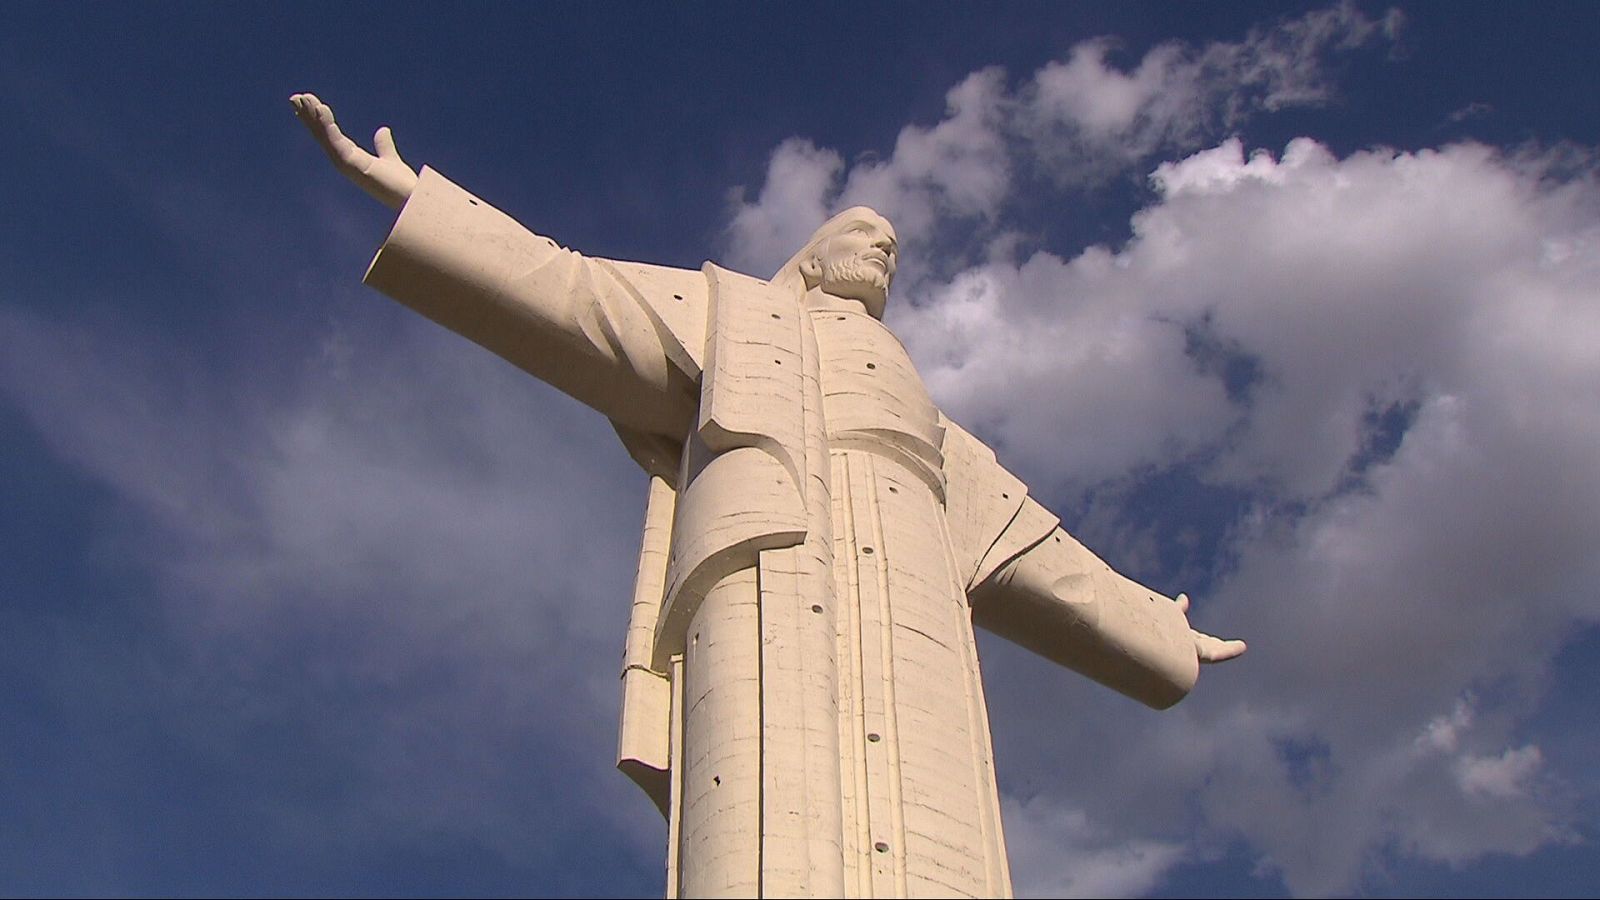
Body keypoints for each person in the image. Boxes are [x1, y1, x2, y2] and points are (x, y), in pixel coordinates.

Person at [291, 93, 1244, 900]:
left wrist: (1160, 630)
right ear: (812, 258)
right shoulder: (729, 314)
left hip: (916, 599)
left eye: (893, 244)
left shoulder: (941, 436)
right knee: (768, 813)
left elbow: (1040, 555)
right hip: (770, 566)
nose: (884, 246)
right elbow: (576, 293)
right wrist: (416, 201)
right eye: (861, 234)